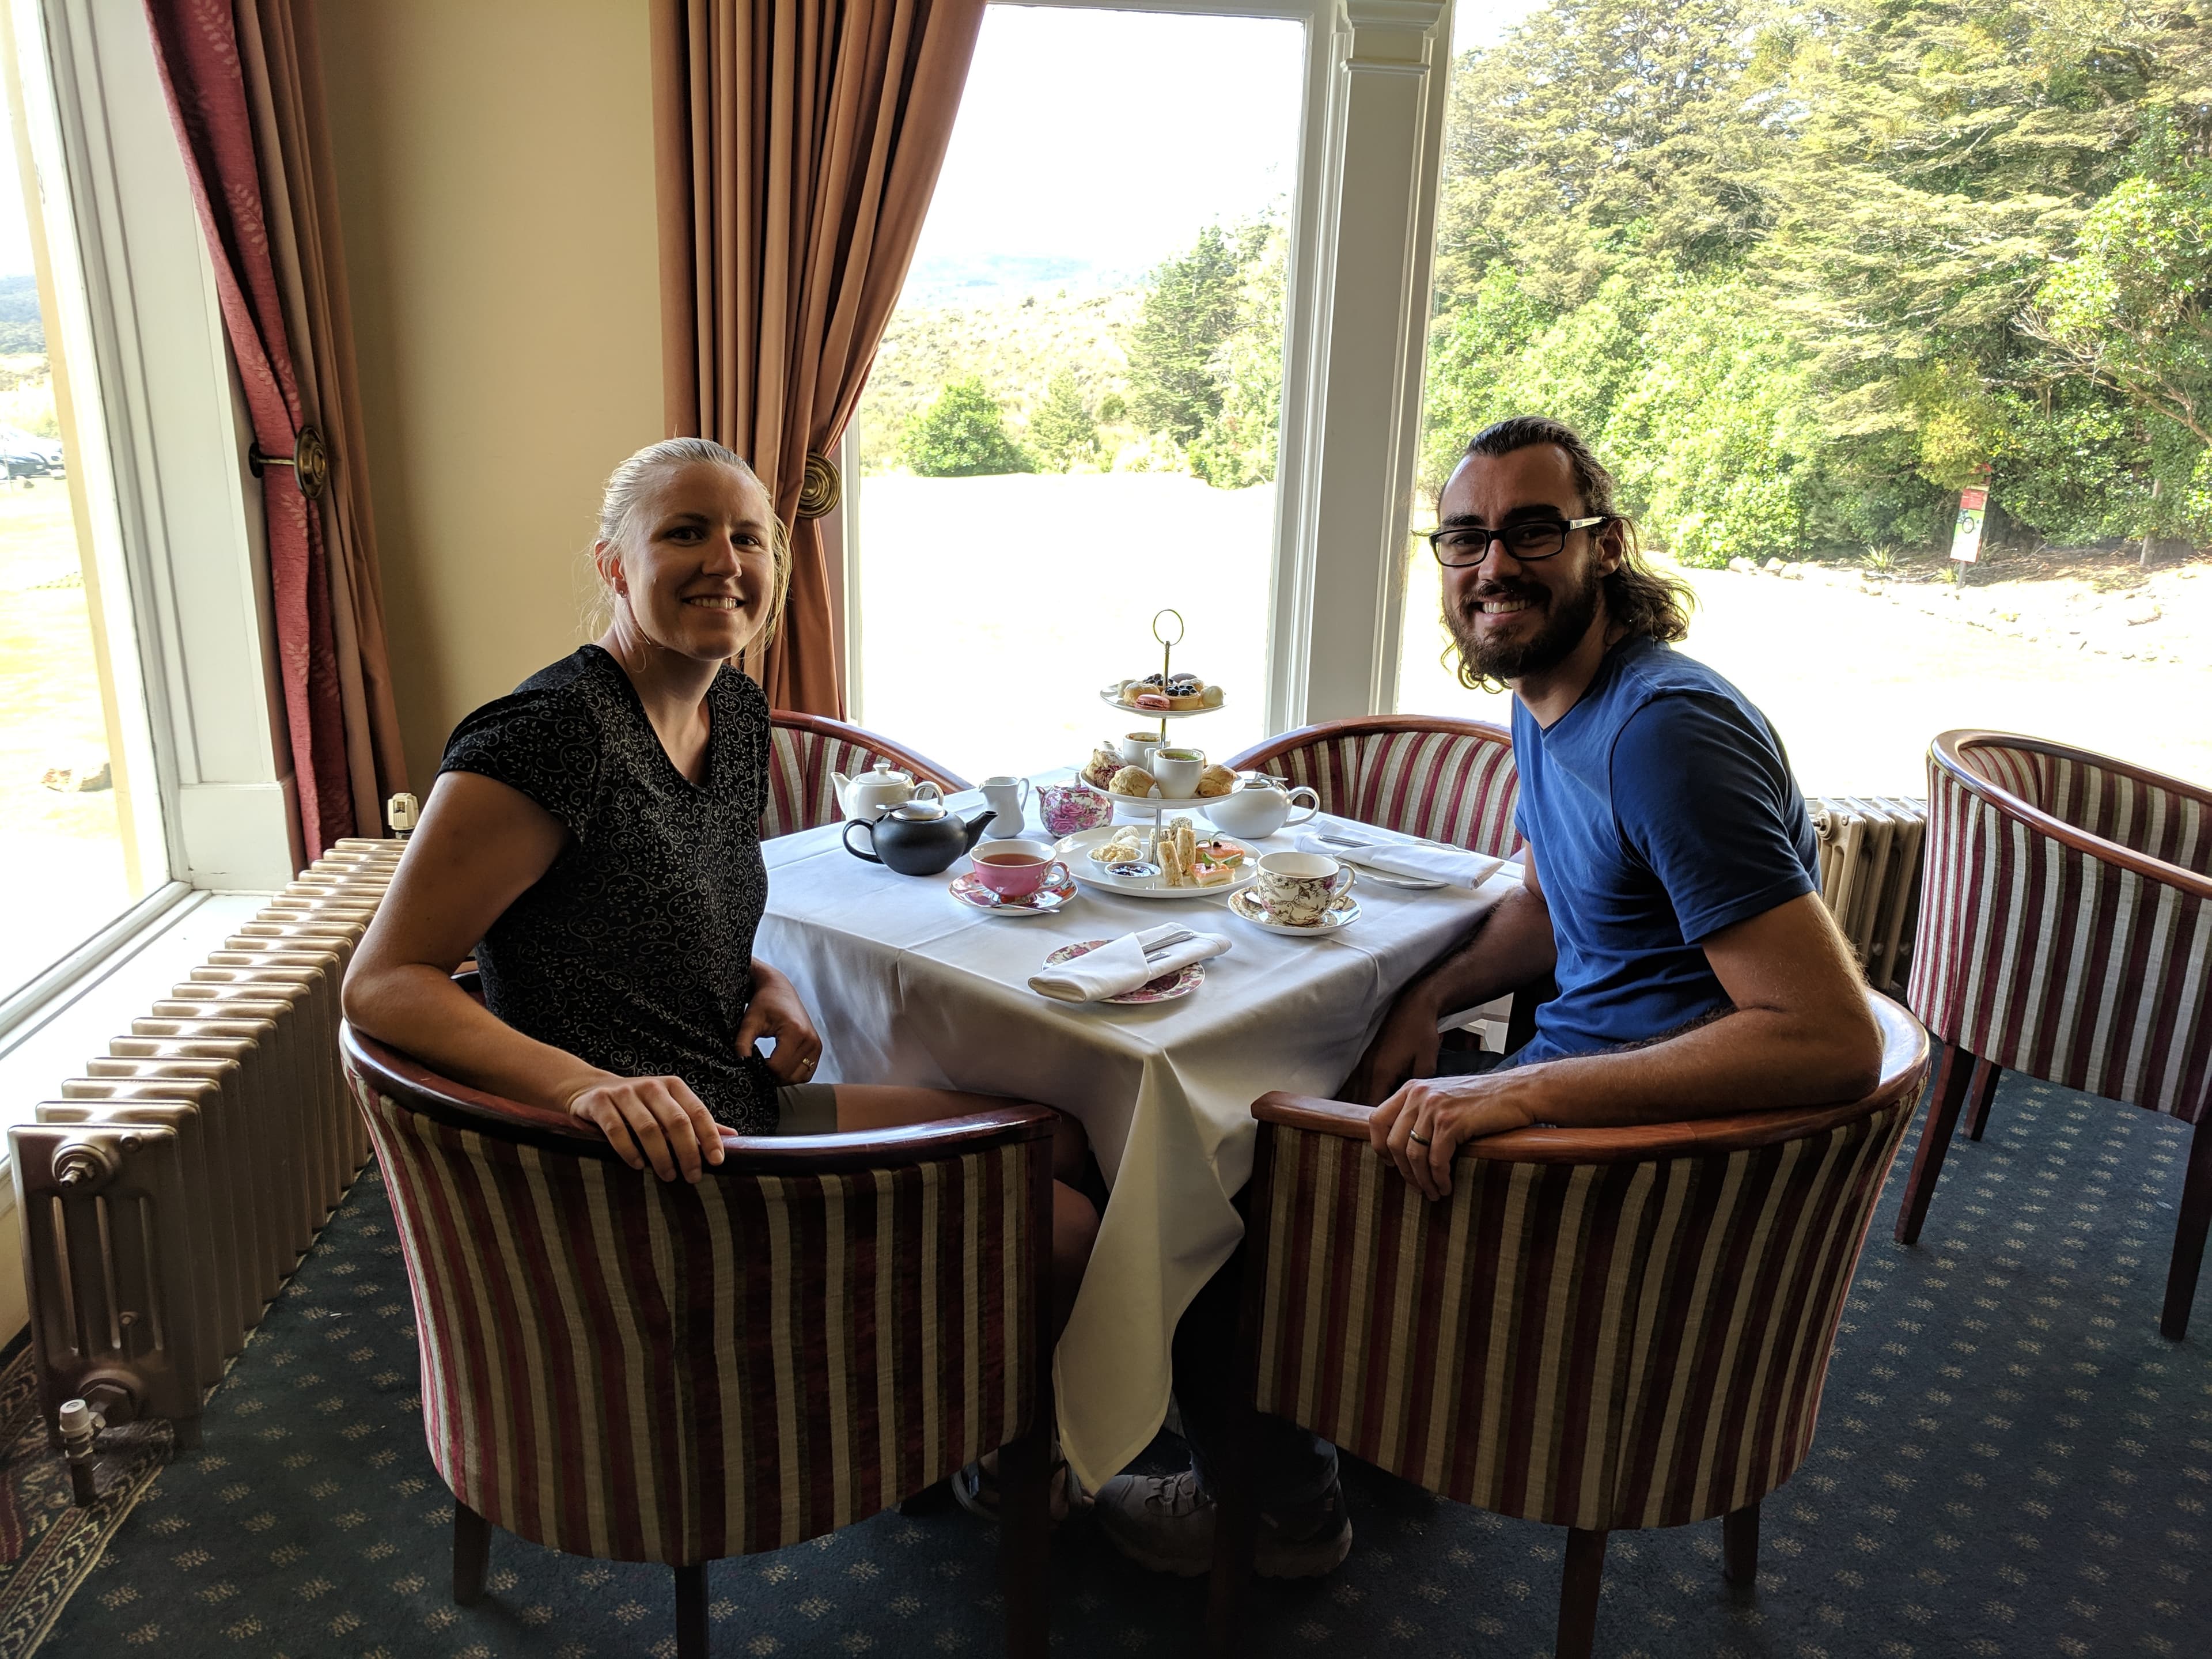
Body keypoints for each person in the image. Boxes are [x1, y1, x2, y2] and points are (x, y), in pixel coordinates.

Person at [1092, 414, 1881, 1577]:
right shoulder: (1558, 691)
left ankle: (1279, 1514)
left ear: (1605, 546)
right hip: (1585, 1112)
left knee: (1214, 1189)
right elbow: (1558, 899)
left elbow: (1828, 1039)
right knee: (1321, 1086)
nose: (1492, 567)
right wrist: (1431, 1000)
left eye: (1531, 532)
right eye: (1465, 539)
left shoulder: (1666, 734)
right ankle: (1365, 1411)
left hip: (1632, 1181)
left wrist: (1516, 1099)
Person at [343, 435, 1099, 1513]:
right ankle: (969, 1443)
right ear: (614, 563)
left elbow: (651, 898)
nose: (724, 562)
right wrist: (587, 1087)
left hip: (726, 1097)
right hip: (635, 1168)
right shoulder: (548, 736)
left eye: (748, 537)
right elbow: (384, 982)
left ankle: (955, 1413)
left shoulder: (731, 712)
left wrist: (765, 982)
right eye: (684, 533)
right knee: (1058, 1225)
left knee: (1066, 1134)